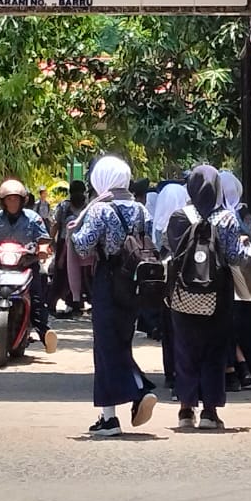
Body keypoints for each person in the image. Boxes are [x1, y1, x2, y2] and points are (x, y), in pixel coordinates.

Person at [69, 155, 157, 436]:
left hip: (108, 279)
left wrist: (73, 229)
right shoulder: (141, 209)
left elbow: (83, 247)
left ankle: (138, 391)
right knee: (119, 342)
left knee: (106, 347)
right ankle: (109, 414)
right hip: (134, 282)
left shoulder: (99, 211)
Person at [163, 166, 247, 431]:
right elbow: (235, 257)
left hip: (183, 294)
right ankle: (210, 412)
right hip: (218, 295)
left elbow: (167, 250)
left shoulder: (178, 217)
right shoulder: (228, 219)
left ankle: (186, 409)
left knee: (185, 349)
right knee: (214, 350)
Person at [0, 179, 56, 360]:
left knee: (36, 300)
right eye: (9, 199)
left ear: (22, 200)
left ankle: (47, 337)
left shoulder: (33, 218)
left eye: (16, 199)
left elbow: (44, 239)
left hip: (26, 266)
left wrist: (43, 249)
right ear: (2, 201)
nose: (12, 203)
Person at [219, 168, 251, 389]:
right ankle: (240, 366)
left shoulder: (241, 212)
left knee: (244, 321)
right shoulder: (217, 214)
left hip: (242, 273)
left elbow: (249, 235)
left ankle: (248, 366)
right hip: (233, 273)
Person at [152, 180, 192, 395]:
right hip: (191, 284)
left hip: (168, 285)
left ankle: (170, 374)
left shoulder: (159, 224)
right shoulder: (192, 219)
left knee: (169, 328)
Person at [52, 179, 92, 315]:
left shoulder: (87, 207)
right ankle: (60, 302)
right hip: (67, 243)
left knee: (81, 274)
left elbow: (56, 225)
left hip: (79, 244)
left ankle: (77, 302)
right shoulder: (65, 207)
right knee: (63, 274)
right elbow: (56, 225)